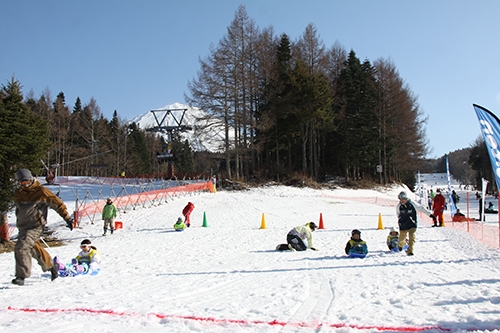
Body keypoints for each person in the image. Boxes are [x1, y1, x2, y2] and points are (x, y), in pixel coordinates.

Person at [12, 169, 74, 285]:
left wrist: (67, 218)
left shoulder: (41, 191)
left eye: (26, 181)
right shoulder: (19, 193)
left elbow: (57, 203)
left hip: (35, 226)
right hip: (23, 227)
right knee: (33, 248)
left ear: (31, 179)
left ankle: (21, 276)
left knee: (22, 247)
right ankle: (51, 266)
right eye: (21, 182)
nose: (24, 184)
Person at [396, 191, 435, 256]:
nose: (402, 201)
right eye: (400, 199)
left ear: (406, 198)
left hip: (412, 224)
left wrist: (430, 215)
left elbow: (421, 208)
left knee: (412, 238)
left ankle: (410, 251)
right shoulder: (399, 206)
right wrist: (400, 221)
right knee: (401, 239)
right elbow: (398, 214)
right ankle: (401, 245)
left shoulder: (412, 204)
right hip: (403, 225)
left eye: (403, 199)